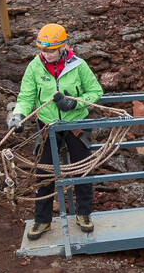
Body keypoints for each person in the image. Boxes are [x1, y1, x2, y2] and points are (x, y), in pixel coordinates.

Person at [7, 24, 103, 241]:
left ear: (63, 47)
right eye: (43, 50)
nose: (47, 55)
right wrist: (19, 115)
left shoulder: (78, 65)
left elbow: (96, 91)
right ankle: (42, 220)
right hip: (47, 125)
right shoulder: (34, 67)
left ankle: (83, 214)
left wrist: (74, 104)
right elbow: (26, 96)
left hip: (77, 124)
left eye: (51, 50)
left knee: (83, 167)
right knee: (44, 172)